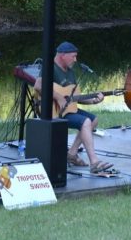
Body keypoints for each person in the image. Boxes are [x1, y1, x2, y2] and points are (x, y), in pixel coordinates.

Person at [33, 41, 113, 173]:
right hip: (51, 111)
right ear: (62, 55)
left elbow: (74, 99)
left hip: (67, 111)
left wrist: (94, 101)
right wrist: (58, 97)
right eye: (73, 56)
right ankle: (94, 162)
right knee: (85, 122)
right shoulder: (50, 67)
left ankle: (71, 154)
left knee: (93, 120)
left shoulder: (70, 72)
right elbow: (38, 86)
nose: (75, 60)